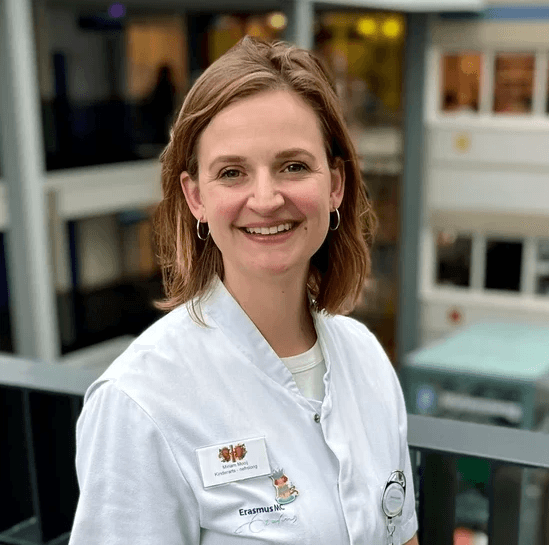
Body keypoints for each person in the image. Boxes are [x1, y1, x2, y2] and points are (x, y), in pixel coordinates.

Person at [69, 36, 419, 545]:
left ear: (335, 184)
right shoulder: (139, 403)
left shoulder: (367, 359)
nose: (266, 198)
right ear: (196, 198)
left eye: (293, 166)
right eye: (232, 173)